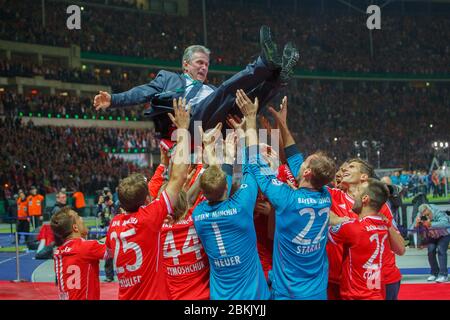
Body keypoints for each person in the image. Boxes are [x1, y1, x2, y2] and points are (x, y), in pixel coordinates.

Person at [93, 26, 299, 137]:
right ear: (185, 65)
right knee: (227, 90)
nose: (204, 67)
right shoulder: (169, 78)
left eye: (207, 64)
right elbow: (142, 92)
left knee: (246, 100)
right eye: (199, 63)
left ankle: (278, 77)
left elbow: (225, 99)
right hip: (189, 124)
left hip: (219, 125)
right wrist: (113, 99)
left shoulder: (210, 88)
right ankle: (264, 62)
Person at [235, 90, 339, 300]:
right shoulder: (325, 195)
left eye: (306, 162)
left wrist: (250, 120)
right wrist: (282, 124)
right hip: (317, 292)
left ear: (307, 172)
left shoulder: (285, 199)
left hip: (288, 293)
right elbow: (294, 158)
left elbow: (256, 163)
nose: (300, 160)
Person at [105, 97, 191, 300]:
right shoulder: (149, 218)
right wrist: (183, 131)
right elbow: (179, 176)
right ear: (146, 201)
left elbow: (147, 192)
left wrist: (162, 165)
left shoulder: (115, 224)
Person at [192, 117, 270, 300]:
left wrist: (214, 152)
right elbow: (252, 166)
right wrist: (241, 136)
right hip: (254, 298)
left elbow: (215, 181)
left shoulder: (198, 214)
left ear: (203, 193)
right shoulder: (241, 206)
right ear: (226, 188)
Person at [328, 179, 403, 300]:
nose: (353, 194)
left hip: (355, 295)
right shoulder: (384, 225)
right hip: (376, 293)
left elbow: (323, 226)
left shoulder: (352, 228)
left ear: (365, 199)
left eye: (357, 191)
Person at [51, 207, 110, 300]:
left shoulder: (59, 252)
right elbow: (114, 246)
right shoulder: (86, 247)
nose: (82, 218)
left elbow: (91, 246)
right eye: (78, 217)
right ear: (75, 227)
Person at [415, 204, 450, 283]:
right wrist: (417, 225)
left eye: (428, 214)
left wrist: (431, 224)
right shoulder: (419, 215)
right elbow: (414, 228)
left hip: (444, 234)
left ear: (429, 209)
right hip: (432, 235)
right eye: (424, 215)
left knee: (441, 250)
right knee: (430, 251)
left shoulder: (438, 212)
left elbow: (446, 223)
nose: (427, 217)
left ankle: (444, 275)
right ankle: (434, 273)